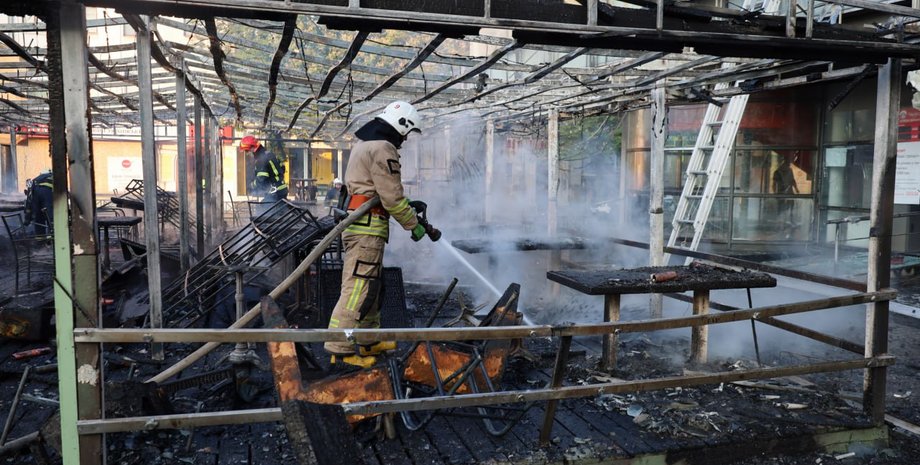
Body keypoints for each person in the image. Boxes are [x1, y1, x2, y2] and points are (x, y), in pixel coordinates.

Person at [324, 101, 429, 368]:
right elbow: (392, 196)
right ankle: (341, 348)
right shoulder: (383, 148)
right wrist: (412, 224)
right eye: (406, 133)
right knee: (358, 287)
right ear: (400, 125)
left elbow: (377, 192)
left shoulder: (364, 144)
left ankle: (368, 339)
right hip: (366, 227)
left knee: (372, 285)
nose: (405, 139)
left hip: (364, 224)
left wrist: (407, 210)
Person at [241, 135, 288, 207]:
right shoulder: (269, 154)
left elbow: (261, 179)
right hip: (281, 190)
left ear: (253, 148)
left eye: (247, 151)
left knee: (262, 211)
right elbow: (282, 168)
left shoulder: (261, 160)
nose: (247, 153)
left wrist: (251, 186)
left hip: (275, 193)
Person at [772, 155, 799, 231]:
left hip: (789, 193)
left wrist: (796, 189)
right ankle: (780, 225)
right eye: (788, 162)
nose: (789, 164)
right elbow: (774, 184)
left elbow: (792, 181)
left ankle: (788, 223)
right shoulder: (778, 172)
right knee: (781, 209)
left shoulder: (789, 170)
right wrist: (775, 193)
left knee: (790, 208)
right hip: (782, 193)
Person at [23, 168, 53, 235]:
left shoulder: (35, 180)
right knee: (51, 217)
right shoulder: (54, 177)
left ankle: (40, 241)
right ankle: (52, 239)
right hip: (48, 195)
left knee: (38, 215)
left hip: (36, 196)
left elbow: (29, 201)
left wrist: (27, 219)